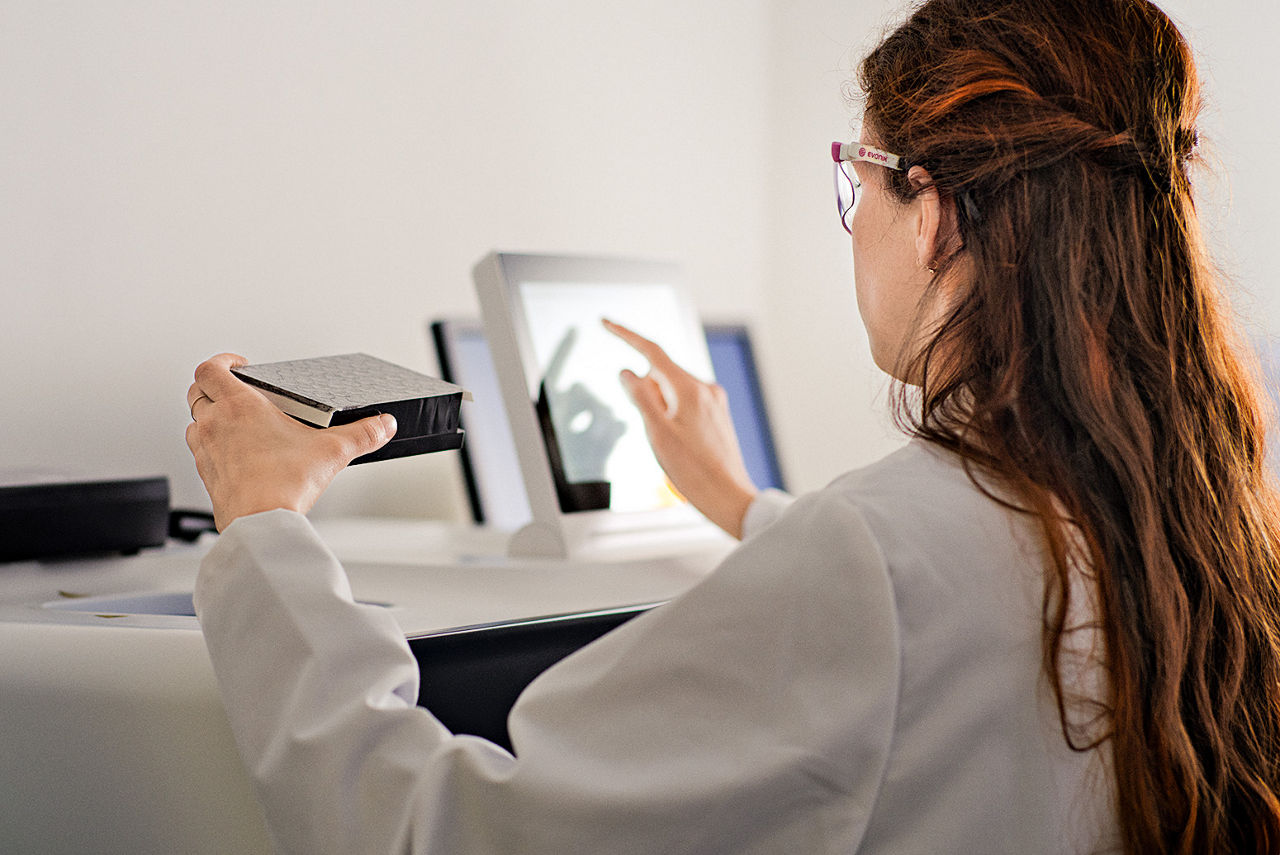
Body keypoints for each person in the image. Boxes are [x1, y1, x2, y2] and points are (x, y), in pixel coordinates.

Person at [185, 0, 1280, 852]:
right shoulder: (1186, 511)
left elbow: (435, 834)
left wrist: (265, 528)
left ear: (934, 213)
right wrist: (742, 504)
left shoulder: (878, 560)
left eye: (856, 184)